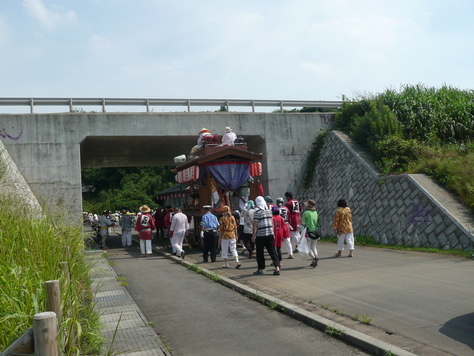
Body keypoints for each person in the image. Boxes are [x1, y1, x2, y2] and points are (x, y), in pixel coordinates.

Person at [252, 196, 280, 275]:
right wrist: (273, 233)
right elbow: (271, 222)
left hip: (261, 235)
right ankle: (277, 267)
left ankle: (260, 269)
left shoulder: (257, 212)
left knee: (260, 252)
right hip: (270, 234)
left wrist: (254, 235)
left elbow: (255, 224)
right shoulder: (269, 211)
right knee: (272, 251)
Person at [301, 199, 320, 267]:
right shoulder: (316, 213)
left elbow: (303, 222)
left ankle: (314, 258)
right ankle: (315, 259)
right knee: (314, 247)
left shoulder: (306, 213)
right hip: (316, 232)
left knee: (307, 248)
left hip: (309, 232)